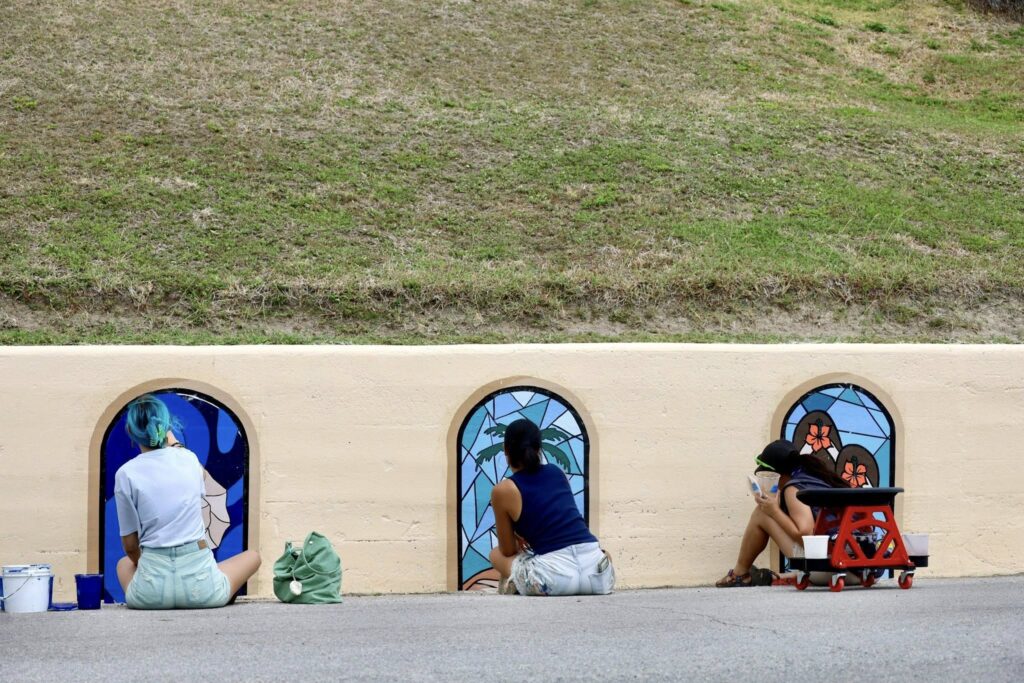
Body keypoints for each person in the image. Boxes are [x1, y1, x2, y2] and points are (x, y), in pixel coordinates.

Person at [114, 395, 261, 608]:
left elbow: (130, 546)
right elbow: (184, 461)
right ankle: (217, 590)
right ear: (166, 427)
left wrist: (147, 565)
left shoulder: (125, 474)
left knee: (122, 564)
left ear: (130, 431)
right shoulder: (190, 460)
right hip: (203, 590)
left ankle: (154, 588)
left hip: (150, 596)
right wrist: (173, 441)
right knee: (253, 556)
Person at [488, 419, 615, 596]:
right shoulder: (557, 472)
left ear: (506, 450)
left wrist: (517, 535)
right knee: (598, 553)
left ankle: (517, 583)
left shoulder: (503, 490)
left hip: (552, 579)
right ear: (539, 449)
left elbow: (507, 550)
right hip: (598, 574)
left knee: (495, 554)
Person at [715, 439, 847, 587]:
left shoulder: (793, 488)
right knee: (768, 512)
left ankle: (739, 574)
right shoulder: (816, 477)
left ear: (777, 475)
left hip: (828, 567)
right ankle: (782, 577)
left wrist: (774, 512)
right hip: (859, 568)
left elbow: (806, 533)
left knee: (761, 513)